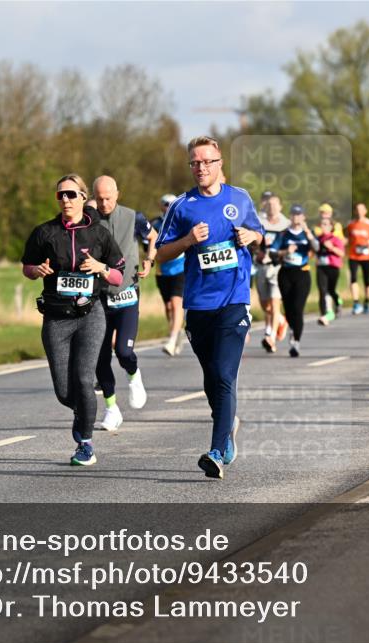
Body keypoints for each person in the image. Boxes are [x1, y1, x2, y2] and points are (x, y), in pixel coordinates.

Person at [155, 136, 263, 480]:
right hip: (199, 304)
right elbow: (160, 254)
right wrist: (188, 240)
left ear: (219, 164)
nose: (200, 167)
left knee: (225, 374)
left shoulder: (239, 198)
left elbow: (259, 232)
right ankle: (227, 426)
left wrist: (251, 237)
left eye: (206, 162)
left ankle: (216, 451)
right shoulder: (181, 206)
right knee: (211, 377)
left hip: (234, 300)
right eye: (194, 163)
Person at [21, 174, 124, 466]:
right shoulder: (45, 233)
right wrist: (36, 271)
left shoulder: (99, 234)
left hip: (91, 314)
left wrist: (101, 267)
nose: (65, 199)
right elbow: (27, 267)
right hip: (56, 318)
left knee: (83, 379)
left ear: (82, 197)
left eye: (70, 194)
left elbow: (118, 276)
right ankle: (83, 410)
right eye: (60, 195)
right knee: (65, 391)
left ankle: (85, 443)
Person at [90, 175, 157, 432]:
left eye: (108, 198)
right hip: (100, 297)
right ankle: (111, 409)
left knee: (124, 351)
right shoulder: (89, 220)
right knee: (100, 357)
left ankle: (134, 375)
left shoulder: (133, 217)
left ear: (117, 194)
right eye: (99, 199)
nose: (104, 203)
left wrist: (149, 260)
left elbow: (154, 237)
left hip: (127, 293)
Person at [271, 204, 319, 357]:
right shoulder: (283, 234)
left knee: (298, 308)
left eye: (299, 215)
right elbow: (272, 253)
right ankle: (292, 328)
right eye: (293, 214)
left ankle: (296, 341)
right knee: (289, 308)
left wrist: (309, 235)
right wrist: (286, 251)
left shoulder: (308, 233)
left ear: (303, 217)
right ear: (290, 217)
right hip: (285, 273)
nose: (296, 217)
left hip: (302, 273)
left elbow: (317, 248)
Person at [152, 194, 186, 356]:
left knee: (176, 302)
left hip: (180, 267)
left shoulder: (183, 221)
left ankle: (172, 339)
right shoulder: (155, 224)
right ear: (161, 206)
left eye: (172, 204)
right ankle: (176, 331)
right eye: (166, 204)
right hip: (162, 270)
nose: (169, 207)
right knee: (168, 307)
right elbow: (148, 244)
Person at [255, 194, 289, 352]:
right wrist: (257, 251)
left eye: (275, 205)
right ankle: (281, 320)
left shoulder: (286, 225)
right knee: (265, 305)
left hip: (278, 268)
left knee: (275, 304)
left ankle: (271, 337)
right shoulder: (258, 222)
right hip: (261, 267)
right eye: (269, 205)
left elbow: (291, 246)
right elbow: (251, 243)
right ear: (265, 207)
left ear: (280, 207)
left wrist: (279, 253)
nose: (272, 208)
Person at [345, 202, 369, 315]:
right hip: (353, 255)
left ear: (365, 211)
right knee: (353, 278)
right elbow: (347, 238)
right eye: (357, 210)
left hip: (366, 256)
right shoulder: (350, 224)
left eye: (361, 210)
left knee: (366, 280)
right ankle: (356, 302)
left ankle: (367, 300)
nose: (359, 212)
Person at [315, 214, 346, 325]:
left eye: (326, 224)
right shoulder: (318, 239)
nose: (323, 226)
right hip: (321, 267)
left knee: (331, 290)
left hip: (333, 267)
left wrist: (331, 247)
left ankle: (338, 302)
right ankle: (325, 315)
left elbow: (342, 253)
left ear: (331, 226)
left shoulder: (335, 239)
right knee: (322, 291)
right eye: (322, 224)